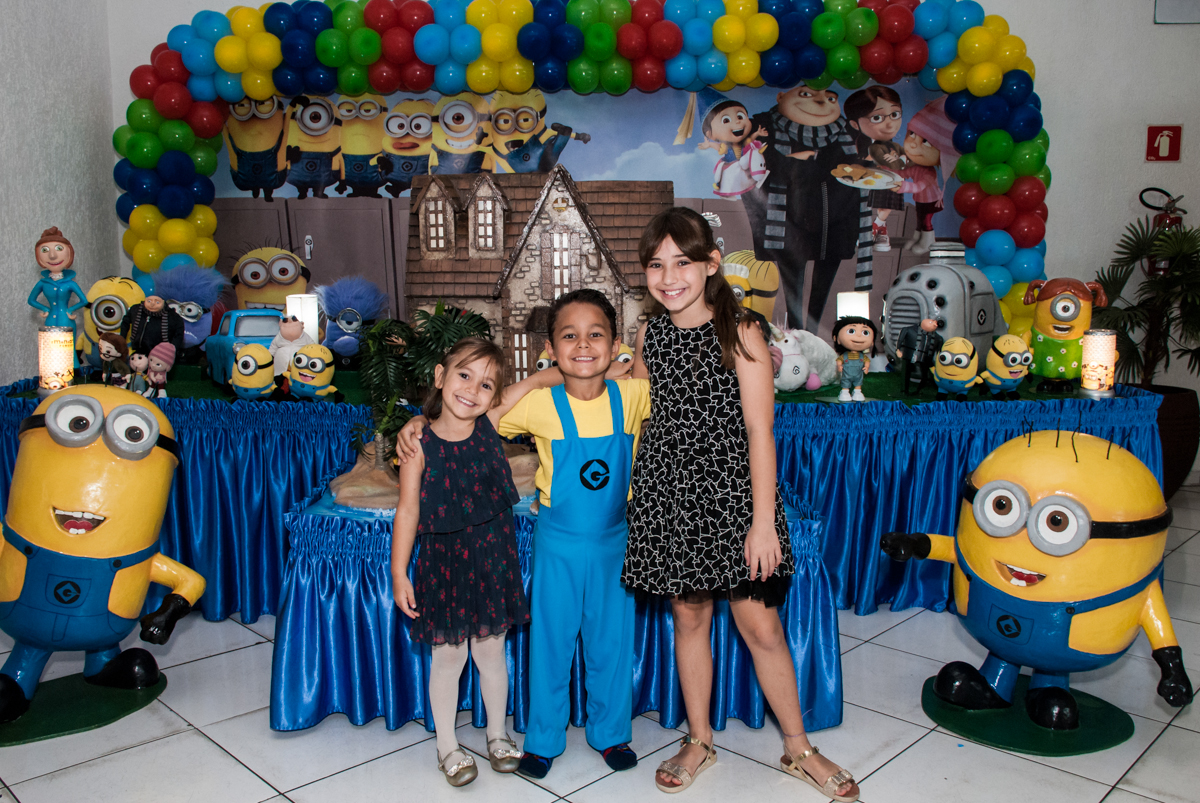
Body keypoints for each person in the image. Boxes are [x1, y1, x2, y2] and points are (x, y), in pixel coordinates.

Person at [623, 208, 859, 801]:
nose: (668, 276)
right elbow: (637, 403)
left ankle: (799, 747)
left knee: (761, 625)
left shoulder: (743, 329)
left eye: (682, 262)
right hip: (671, 493)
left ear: (709, 265)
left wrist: (761, 525)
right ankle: (699, 739)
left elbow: (760, 432)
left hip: (731, 496)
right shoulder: (649, 332)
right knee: (689, 616)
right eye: (656, 264)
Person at [398, 290, 650, 782]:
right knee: (550, 643)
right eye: (569, 337)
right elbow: (469, 416)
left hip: (614, 541)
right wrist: (416, 423)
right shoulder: (538, 405)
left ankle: (611, 732)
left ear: (615, 343)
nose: (583, 344)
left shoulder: (634, 396)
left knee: (611, 641)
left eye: (596, 335)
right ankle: (543, 738)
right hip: (558, 539)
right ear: (551, 348)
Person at [391, 337, 548, 787]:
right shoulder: (418, 445)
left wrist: (596, 370)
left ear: (494, 397)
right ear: (440, 377)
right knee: (448, 657)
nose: (472, 390)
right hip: (443, 565)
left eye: (485, 385)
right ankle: (446, 745)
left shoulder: (491, 423)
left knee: (491, 651)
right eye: (463, 375)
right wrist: (399, 571)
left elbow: (539, 378)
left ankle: (497, 734)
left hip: (492, 560)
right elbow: (407, 510)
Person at [745, 84, 872, 334]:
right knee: (793, 279)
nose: (820, 102)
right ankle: (796, 332)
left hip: (835, 219)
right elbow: (752, 160)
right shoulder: (764, 126)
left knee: (825, 278)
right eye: (806, 94)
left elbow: (854, 168)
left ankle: (813, 333)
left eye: (830, 97)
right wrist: (802, 162)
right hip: (788, 220)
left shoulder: (848, 131)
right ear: (781, 96)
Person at [845, 87, 905, 252]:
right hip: (859, 183)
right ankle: (878, 229)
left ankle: (877, 227)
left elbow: (903, 161)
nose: (889, 123)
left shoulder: (891, 145)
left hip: (883, 181)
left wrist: (898, 161)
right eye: (877, 117)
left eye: (894, 115)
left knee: (889, 191)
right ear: (855, 124)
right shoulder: (853, 143)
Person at [27, 227, 87, 329]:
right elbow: (31, 300)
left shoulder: (70, 284)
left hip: (66, 321)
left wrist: (70, 310)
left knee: (68, 344)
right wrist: (44, 309)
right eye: (45, 250)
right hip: (50, 321)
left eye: (59, 248)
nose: (52, 255)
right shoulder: (43, 283)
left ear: (69, 253)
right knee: (48, 344)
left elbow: (84, 301)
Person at [832, 316, 877, 402]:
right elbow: (839, 360)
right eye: (851, 331)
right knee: (845, 382)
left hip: (858, 374)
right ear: (837, 339)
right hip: (846, 373)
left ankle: (857, 392)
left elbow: (867, 361)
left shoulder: (862, 356)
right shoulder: (844, 355)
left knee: (858, 382)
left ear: (872, 342)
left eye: (865, 332)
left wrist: (866, 367)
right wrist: (839, 366)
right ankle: (844, 392)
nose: (859, 335)